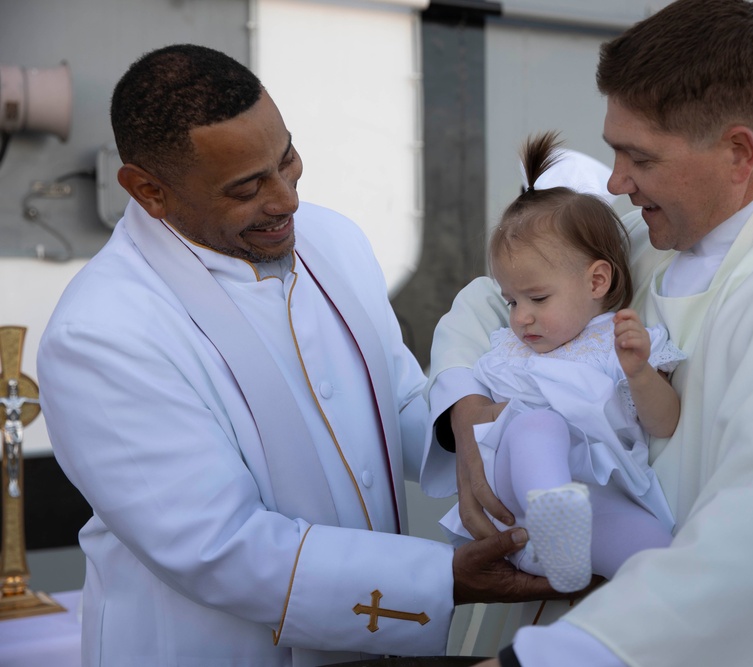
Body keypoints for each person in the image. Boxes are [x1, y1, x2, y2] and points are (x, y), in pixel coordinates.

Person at [422, 1, 753, 665]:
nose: (617, 182)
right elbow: (487, 299)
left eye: (637, 157)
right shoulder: (655, 236)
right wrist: (467, 408)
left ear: (738, 152)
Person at [36, 44, 562, 667]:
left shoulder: (333, 237)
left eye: (286, 158)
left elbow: (396, 400)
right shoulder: (102, 332)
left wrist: (484, 429)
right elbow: (219, 544)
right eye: (247, 187)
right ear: (149, 190)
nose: (286, 199)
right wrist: (444, 578)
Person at [438, 132, 683, 594]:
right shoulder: (511, 350)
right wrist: (492, 414)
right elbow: (485, 420)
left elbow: (666, 423)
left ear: (596, 282)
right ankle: (552, 513)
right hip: (521, 499)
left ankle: (571, 556)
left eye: (537, 298)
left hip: (598, 503)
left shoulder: (622, 345)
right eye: (511, 300)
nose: (520, 316)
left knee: (656, 549)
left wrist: (640, 374)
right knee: (538, 426)